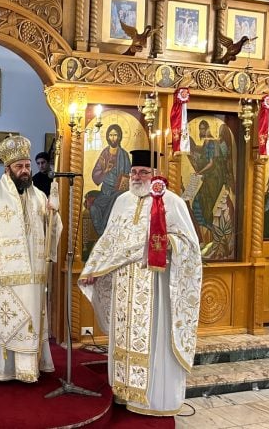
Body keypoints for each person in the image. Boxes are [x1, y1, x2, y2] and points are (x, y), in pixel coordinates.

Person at [79, 149, 202, 416]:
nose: (137, 177)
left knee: (152, 338)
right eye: (134, 172)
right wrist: (95, 269)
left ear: (155, 174)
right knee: (123, 336)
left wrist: (166, 243)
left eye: (143, 172)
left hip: (155, 286)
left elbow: (190, 245)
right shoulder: (122, 201)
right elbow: (109, 240)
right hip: (124, 285)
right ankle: (124, 392)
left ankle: (153, 398)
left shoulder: (171, 202)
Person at [0, 135, 62, 383]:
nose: (25, 171)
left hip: (33, 276)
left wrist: (53, 216)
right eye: (20, 166)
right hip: (1, 275)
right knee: (4, 320)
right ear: (7, 169)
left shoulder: (39, 196)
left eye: (27, 165)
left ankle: (28, 369)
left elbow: (51, 232)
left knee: (30, 320)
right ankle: (2, 370)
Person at [89, 124, 131, 235]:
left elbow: (128, 175)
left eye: (115, 135)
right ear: (107, 136)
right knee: (94, 208)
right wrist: (106, 170)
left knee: (115, 202)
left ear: (119, 137)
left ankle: (106, 234)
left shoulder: (124, 155)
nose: (113, 138)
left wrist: (121, 188)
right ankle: (102, 235)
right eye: (111, 135)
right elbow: (95, 174)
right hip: (105, 192)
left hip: (119, 192)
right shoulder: (105, 154)